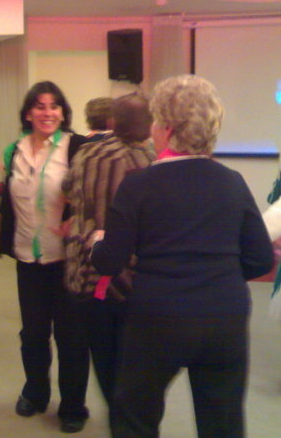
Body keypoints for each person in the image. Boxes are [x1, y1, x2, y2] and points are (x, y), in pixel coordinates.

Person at [90, 74, 274, 438]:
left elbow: (109, 261)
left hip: (158, 318)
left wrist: (97, 242)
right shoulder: (232, 182)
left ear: (167, 129)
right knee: (222, 423)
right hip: (224, 317)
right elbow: (260, 259)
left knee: (134, 418)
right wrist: (217, 271)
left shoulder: (138, 185)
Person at [0, 81, 90, 434]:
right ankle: (35, 393)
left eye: (54, 106)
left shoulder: (77, 147)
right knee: (33, 333)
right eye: (39, 106)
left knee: (71, 336)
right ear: (27, 113)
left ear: (64, 113)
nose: (47, 113)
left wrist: (77, 219)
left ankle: (73, 406)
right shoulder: (15, 150)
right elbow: (9, 200)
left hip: (67, 259)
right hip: (28, 256)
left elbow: (95, 196)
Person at [62, 93, 155, 414]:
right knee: (132, 370)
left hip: (86, 273)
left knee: (104, 360)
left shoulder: (87, 152)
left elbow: (67, 190)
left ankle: (117, 416)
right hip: (130, 280)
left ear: (113, 122)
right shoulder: (148, 162)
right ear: (150, 125)